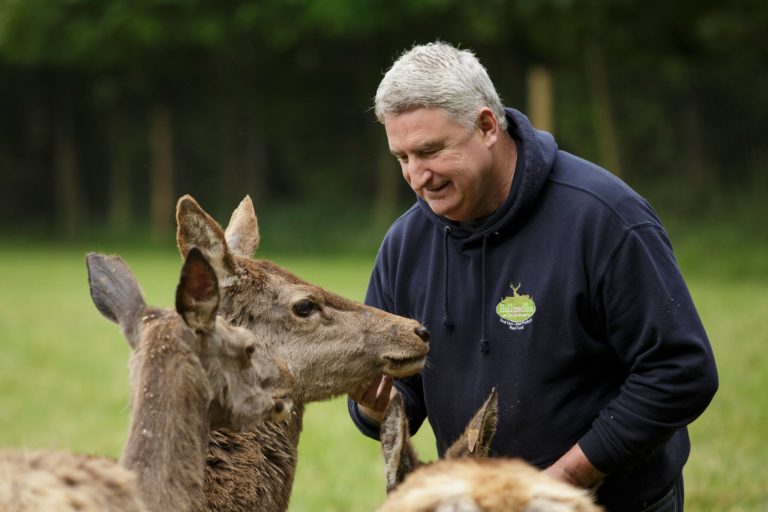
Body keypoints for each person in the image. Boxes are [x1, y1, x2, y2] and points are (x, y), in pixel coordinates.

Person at [347, 41, 718, 511]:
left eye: (430, 151)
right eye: (402, 158)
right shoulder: (406, 244)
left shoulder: (604, 218)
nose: (418, 176)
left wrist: (558, 485)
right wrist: (373, 403)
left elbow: (681, 371)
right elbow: (401, 394)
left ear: (486, 126)